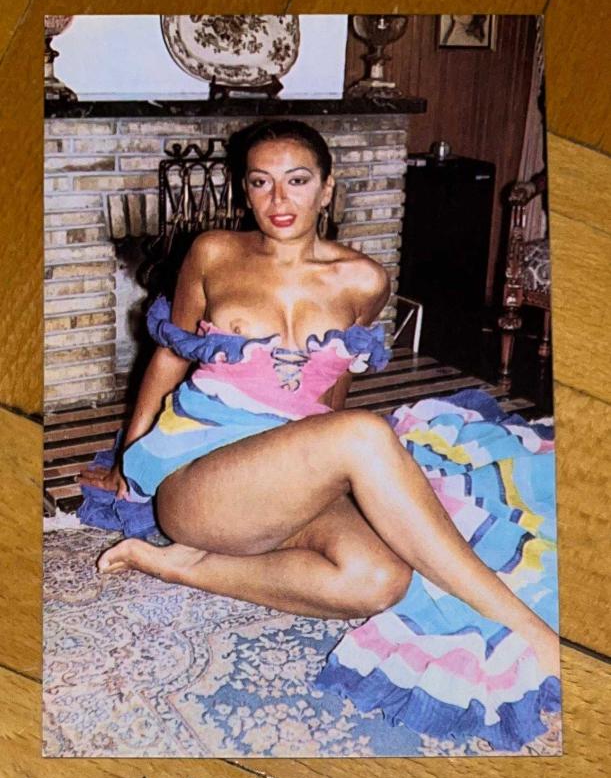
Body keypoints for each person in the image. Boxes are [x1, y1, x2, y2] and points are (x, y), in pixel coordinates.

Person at [81, 119, 559, 679]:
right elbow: (169, 356)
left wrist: (332, 470)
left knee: (378, 579)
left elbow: (334, 389)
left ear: (327, 188)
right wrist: (128, 460)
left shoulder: (364, 281)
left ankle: (177, 567)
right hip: (198, 481)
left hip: (282, 475)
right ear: (245, 191)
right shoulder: (213, 253)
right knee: (364, 432)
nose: (278, 200)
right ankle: (530, 629)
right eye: (261, 182)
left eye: (298, 180)